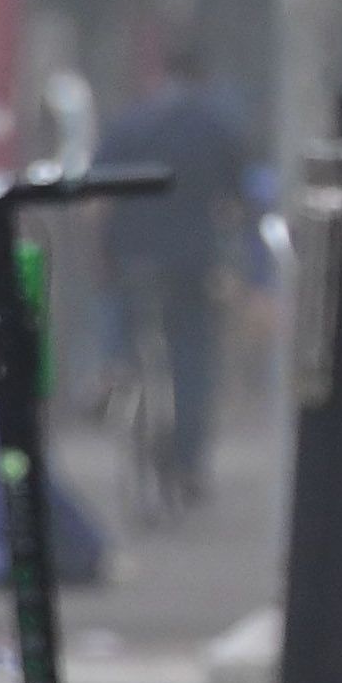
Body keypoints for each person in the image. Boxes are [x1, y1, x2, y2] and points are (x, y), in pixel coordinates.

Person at [96, 35, 254, 511]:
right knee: (191, 358)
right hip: (191, 262)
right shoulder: (216, 125)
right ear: (203, 77)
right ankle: (186, 462)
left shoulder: (131, 120)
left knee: (130, 334)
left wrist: (101, 256)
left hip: (132, 257)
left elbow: (98, 199)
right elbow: (235, 202)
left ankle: (116, 382)